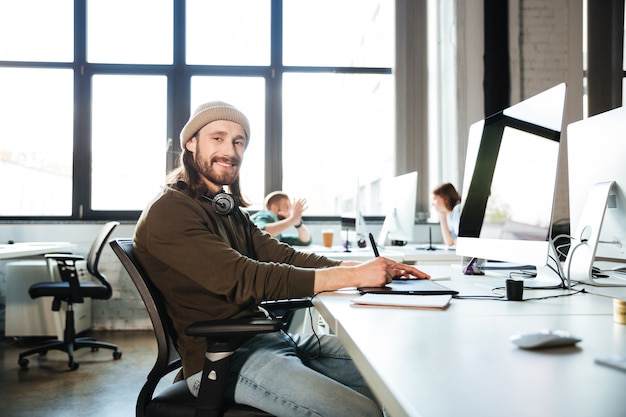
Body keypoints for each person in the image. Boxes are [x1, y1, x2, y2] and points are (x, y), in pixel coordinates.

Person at [133, 101, 430, 417]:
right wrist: (354, 277)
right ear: (191, 144)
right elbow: (243, 277)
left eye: (238, 141)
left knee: (397, 368)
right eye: (217, 138)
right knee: (360, 412)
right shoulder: (171, 210)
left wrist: (362, 268)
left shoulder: (225, 206)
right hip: (224, 357)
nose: (230, 151)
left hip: (268, 339)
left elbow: (283, 256)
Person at [432, 182, 462, 247]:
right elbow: (449, 242)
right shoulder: (451, 214)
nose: (432, 203)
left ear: (446, 199)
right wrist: (442, 215)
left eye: (435, 199)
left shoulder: (457, 210)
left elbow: (459, 242)